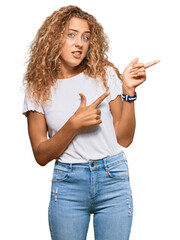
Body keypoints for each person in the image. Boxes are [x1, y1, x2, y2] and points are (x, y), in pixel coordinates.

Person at [21, 5, 160, 240]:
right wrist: (74, 123)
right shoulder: (38, 88)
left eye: (86, 37)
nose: (80, 43)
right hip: (68, 184)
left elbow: (124, 139)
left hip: (112, 178)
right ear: (54, 38)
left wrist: (128, 92)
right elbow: (41, 155)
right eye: (71, 34)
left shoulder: (104, 74)